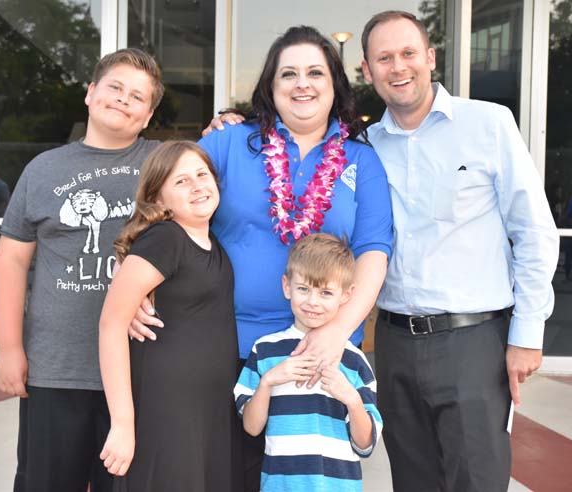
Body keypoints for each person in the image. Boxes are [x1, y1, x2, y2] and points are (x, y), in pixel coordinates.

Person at [132, 26, 393, 490]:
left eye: (315, 72)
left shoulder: (361, 160)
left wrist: (334, 333)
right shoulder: (231, 142)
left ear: (335, 84)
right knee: (220, 475)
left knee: (302, 479)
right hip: (220, 342)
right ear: (270, 88)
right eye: (287, 74)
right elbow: (164, 202)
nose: (302, 83)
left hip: (318, 351)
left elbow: (375, 250)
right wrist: (134, 285)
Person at [360, 11, 560, 491]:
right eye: (383, 58)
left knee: (476, 480)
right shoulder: (364, 145)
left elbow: (533, 230)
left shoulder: (489, 124)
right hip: (392, 342)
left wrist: (527, 333)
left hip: (472, 342)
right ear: (367, 72)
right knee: (412, 482)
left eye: (408, 53)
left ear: (430, 57)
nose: (398, 66)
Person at [0, 48, 164, 492]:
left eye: (138, 97)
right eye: (115, 88)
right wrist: (9, 347)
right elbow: (11, 261)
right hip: (57, 367)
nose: (124, 100)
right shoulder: (43, 170)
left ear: (147, 116)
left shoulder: (164, 165)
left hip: (140, 369)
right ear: (90, 94)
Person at [98, 141, 241, 491]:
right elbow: (111, 324)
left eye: (201, 174)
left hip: (206, 412)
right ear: (158, 200)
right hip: (167, 414)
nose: (196, 186)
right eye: (180, 181)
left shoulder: (211, 241)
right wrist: (122, 423)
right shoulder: (165, 239)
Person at [234, 233, 382, 492]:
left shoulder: (355, 361)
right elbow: (251, 428)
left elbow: (365, 444)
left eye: (326, 292)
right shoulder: (266, 351)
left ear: (346, 295)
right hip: (280, 486)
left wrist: (352, 400)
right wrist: (268, 382)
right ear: (286, 286)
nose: (312, 302)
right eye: (303, 289)